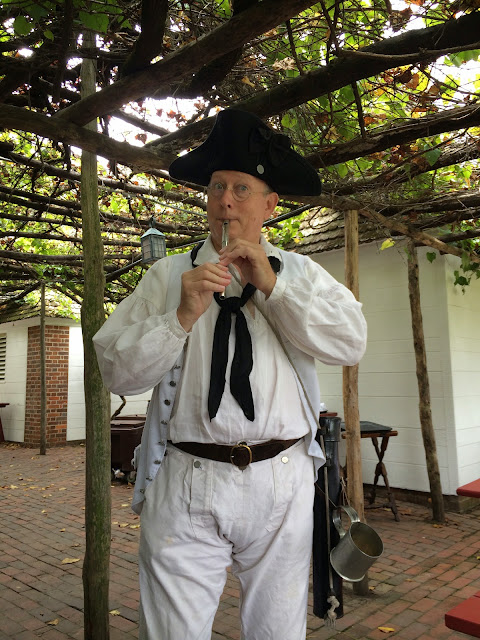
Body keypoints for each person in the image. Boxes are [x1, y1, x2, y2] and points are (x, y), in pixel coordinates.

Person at [93, 109, 367, 640]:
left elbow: (350, 343)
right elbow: (115, 372)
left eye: (242, 189)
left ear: (270, 204)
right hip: (186, 477)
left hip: (282, 478)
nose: (225, 201)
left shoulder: (301, 273)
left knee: (277, 630)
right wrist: (179, 317)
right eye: (217, 187)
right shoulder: (167, 275)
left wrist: (274, 288)